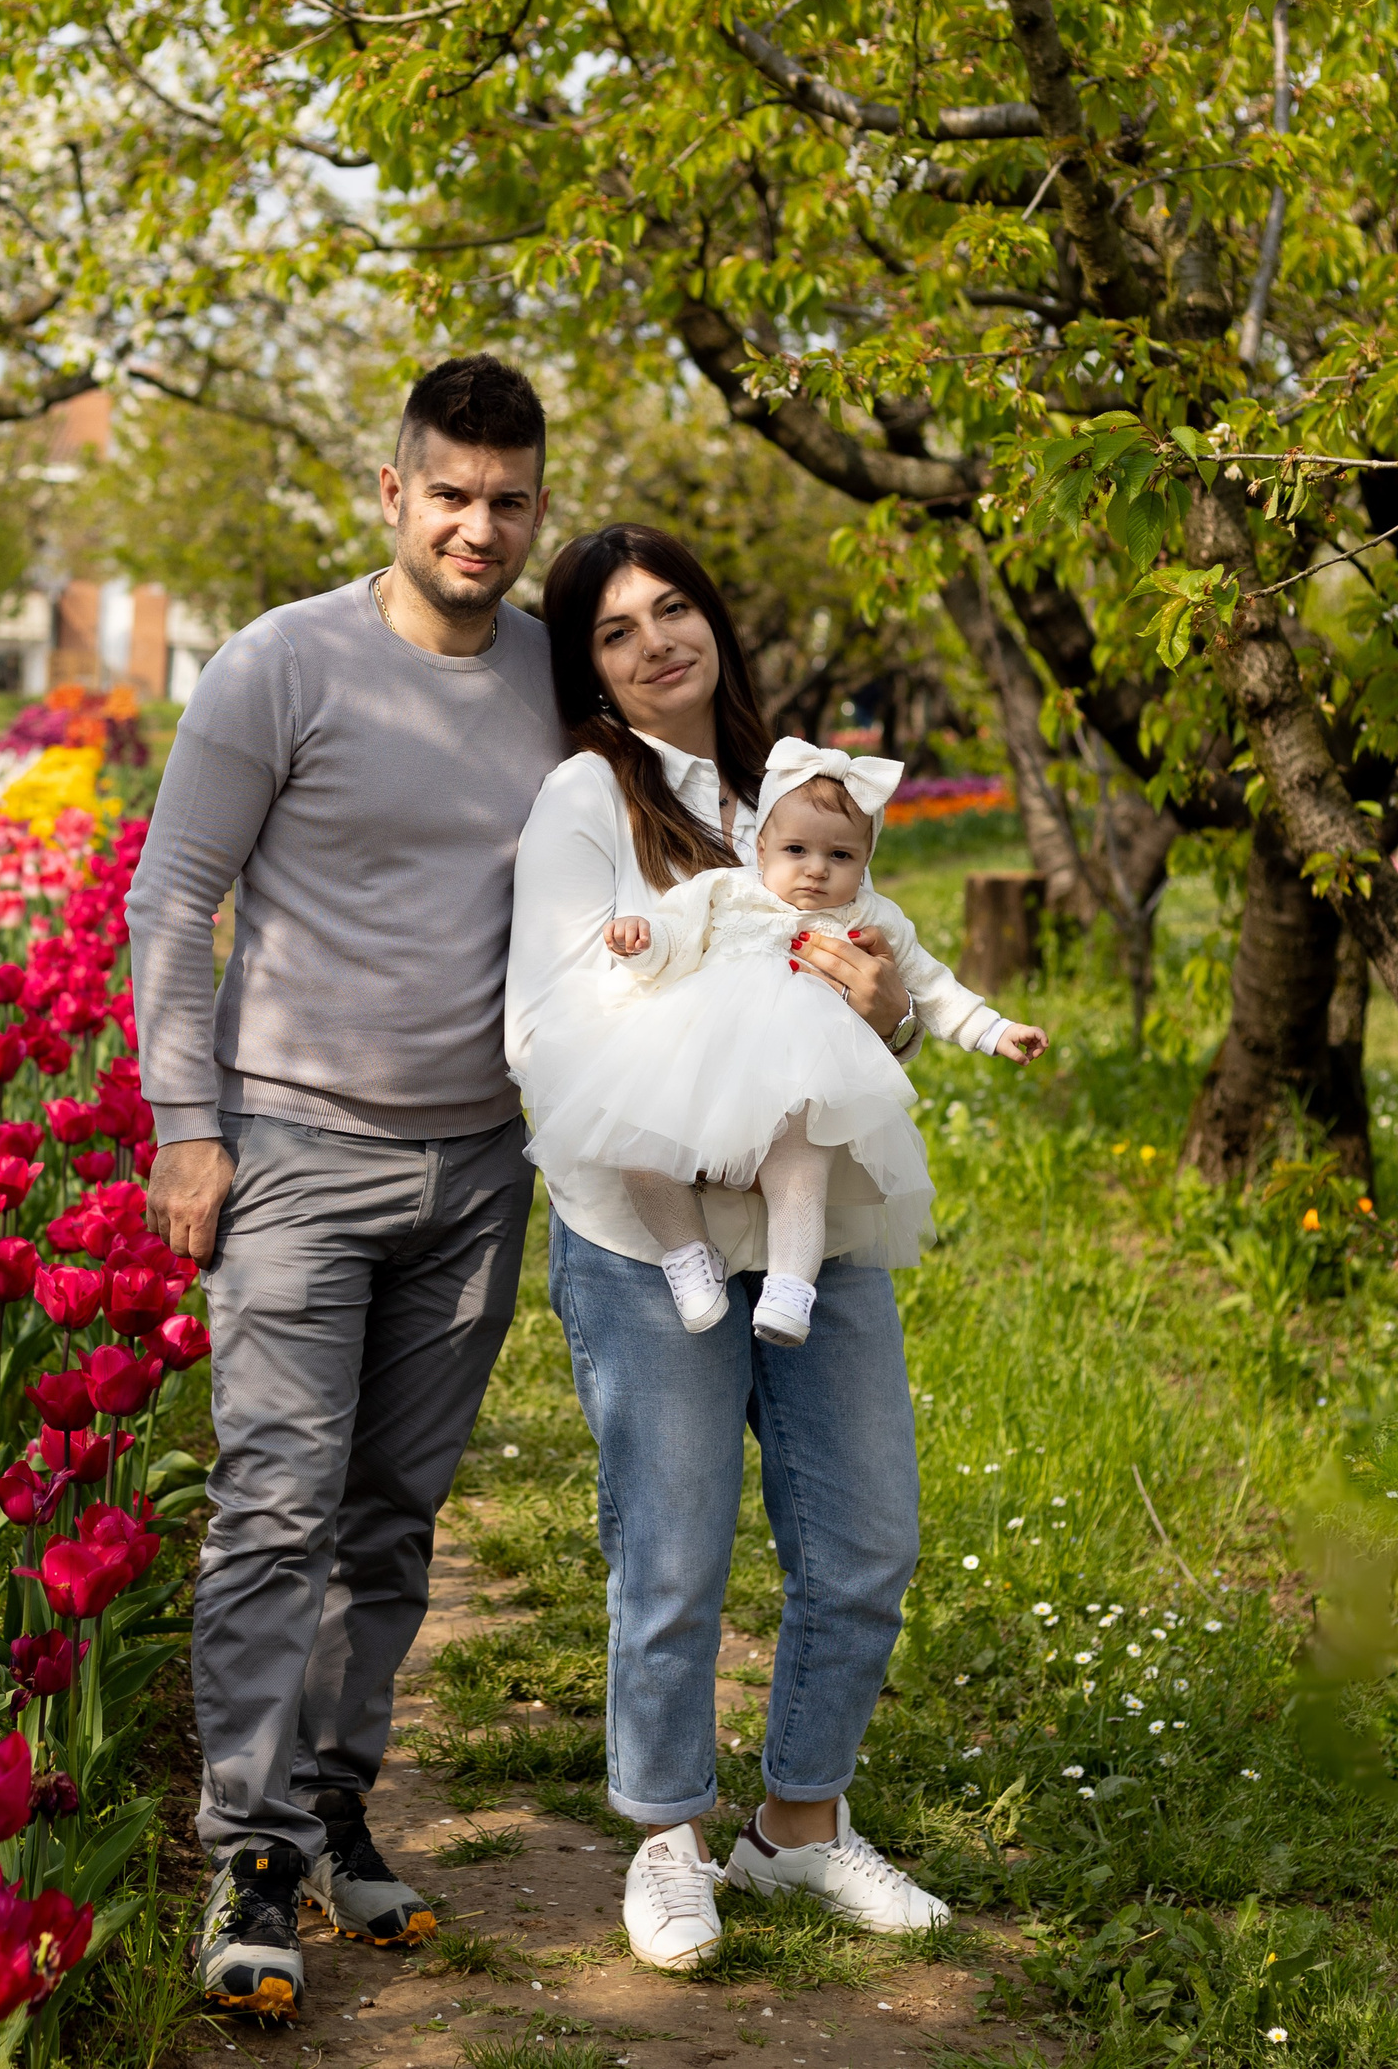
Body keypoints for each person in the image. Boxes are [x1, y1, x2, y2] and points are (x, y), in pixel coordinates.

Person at [130, 355, 564, 2018]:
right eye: (448, 492)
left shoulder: (548, 676)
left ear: (538, 509)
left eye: (508, 499)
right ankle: (248, 1844)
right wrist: (189, 1116)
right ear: (391, 493)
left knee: (389, 1513)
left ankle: (328, 1792)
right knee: (275, 1500)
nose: (477, 524)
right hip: (297, 1147)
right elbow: (178, 895)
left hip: (478, 1161)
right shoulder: (281, 664)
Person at [504, 522, 957, 1972]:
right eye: (618, 629)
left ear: (716, 621)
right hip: (653, 1232)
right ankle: (667, 1835)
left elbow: (870, 1000)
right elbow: (543, 1021)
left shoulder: (795, 782)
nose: (657, 642)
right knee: (676, 1546)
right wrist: (694, 1098)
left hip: (815, 1221)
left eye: (675, 608)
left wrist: (880, 1004)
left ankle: (800, 1825)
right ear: (588, 668)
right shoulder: (587, 798)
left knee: (867, 1535)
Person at [528, 737, 1049, 1345]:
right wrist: (643, 943)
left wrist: (995, 1031)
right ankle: (686, 1259)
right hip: (693, 1063)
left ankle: (791, 1290)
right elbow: (674, 941)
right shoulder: (725, 890)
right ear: (761, 848)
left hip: (794, 1081)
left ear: (867, 859)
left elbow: (933, 989)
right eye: (796, 850)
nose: (817, 868)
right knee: (642, 1151)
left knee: (799, 1168)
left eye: (842, 855)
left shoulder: (870, 917)